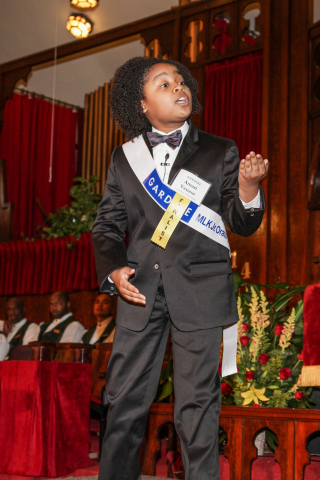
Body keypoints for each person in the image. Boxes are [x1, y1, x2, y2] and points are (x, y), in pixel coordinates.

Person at [91, 57, 268, 480]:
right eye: (163, 83)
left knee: (198, 405)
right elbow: (107, 227)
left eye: (181, 82)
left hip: (201, 289)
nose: (178, 88)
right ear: (142, 105)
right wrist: (114, 270)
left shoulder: (219, 150)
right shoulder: (124, 158)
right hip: (140, 290)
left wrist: (248, 188)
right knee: (122, 400)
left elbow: (241, 222)